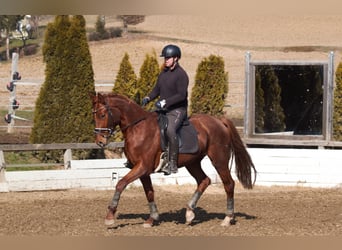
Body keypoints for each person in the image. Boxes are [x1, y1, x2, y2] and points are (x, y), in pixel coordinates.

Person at [142, 44, 189, 175]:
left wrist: (165, 102)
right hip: (163, 109)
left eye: (168, 58)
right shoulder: (164, 73)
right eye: (165, 58)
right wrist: (148, 98)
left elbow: (181, 95)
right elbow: (156, 90)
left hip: (177, 110)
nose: (166, 60)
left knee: (170, 130)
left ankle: (172, 163)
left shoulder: (181, 75)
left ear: (176, 58)